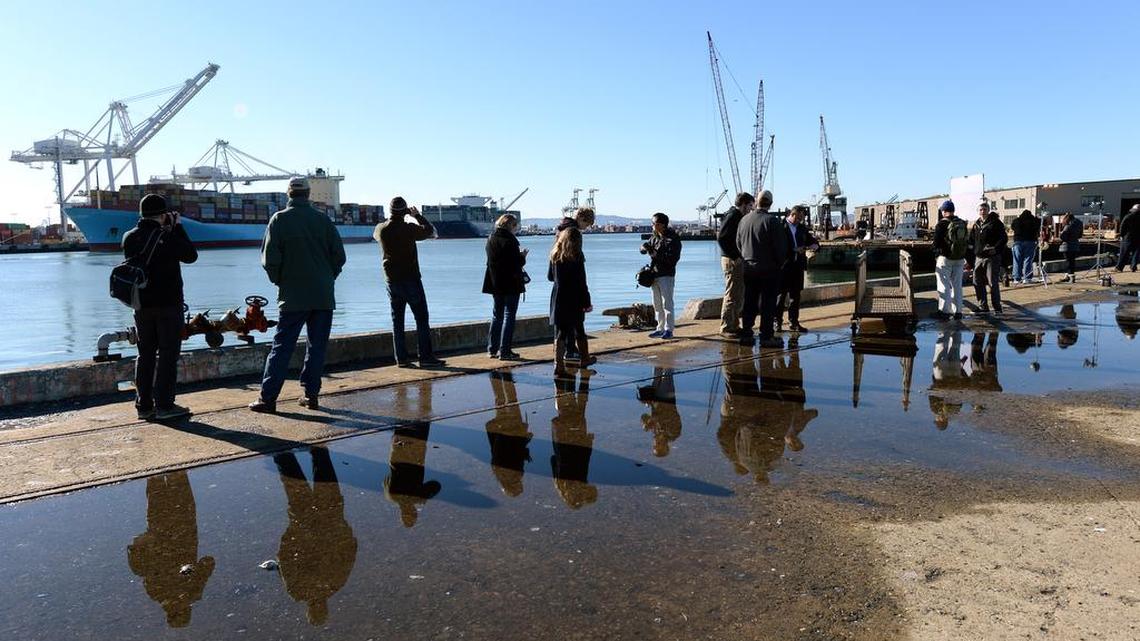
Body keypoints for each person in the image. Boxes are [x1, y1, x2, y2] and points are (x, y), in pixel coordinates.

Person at [249, 177, 347, 414]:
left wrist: (282, 281)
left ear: (288, 194)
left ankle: (268, 399)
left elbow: (270, 261)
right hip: (323, 296)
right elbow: (339, 257)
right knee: (317, 347)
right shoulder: (323, 220)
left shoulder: (279, 220)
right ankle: (311, 396)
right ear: (309, 193)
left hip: (293, 297)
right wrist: (326, 279)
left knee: (282, 347)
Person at [122, 193, 198, 420]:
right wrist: (177, 228)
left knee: (145, 354)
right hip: (168, 305)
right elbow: (191, 255)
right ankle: (165, 405)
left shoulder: (128, 237)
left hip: (141, 306)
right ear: (163, 214)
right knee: (167, 355)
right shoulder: (167, 237)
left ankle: (143, 406)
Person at [274, 447, 357, 626]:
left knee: (320, 478)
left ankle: (305, 450)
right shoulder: (302, 590)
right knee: (296, 481)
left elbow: (349, 551)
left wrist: (345, 530)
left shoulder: (332, 585)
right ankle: (281, 450)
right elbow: (284, 560)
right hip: (314, 525)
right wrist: (289, 536)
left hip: (325, 523)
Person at [127, 472, 214, 627]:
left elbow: (208, 562)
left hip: (182, 526)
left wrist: (194, 576)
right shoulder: (158, 593)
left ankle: (158, 453)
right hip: (162, 527)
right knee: (157, 480)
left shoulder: (191, 592)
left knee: (174, 475)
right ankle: (154, 454)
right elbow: (208, 561)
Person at [375, 197, 445, 368]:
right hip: (411, 278)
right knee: (421, 319)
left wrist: (398, 215)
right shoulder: (409, 229)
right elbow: (431, 231)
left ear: (390, 211)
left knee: (397, 320)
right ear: (405, 211)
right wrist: (417, 216)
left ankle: (402, 359)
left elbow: (379, 233)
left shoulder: (380, 229)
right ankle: (426, 358)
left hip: (391, 280)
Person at [736, 190, 791, 348]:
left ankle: (746, 333)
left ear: (756, 202)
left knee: (749, 302)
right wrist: (779, 264)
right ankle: (766, 336)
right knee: (768, 303)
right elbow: (781, 248)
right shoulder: (772, 221)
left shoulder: (744, 220)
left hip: (749, 268)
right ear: (770, 203)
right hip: (769, 269)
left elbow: (738, 244)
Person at [548, 224, 594, 371]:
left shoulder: (555, 254)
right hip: (574, 297)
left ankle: (558, 363)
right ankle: (585, 358)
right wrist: (587, 301)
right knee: (579, 329)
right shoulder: (577, 256)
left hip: (558, 297)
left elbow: (550, 277)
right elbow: (582, 282)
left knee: (561, 332)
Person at [482, 214, 528, 360]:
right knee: (509, 316)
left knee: (497, 315)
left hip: (495, 283)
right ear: (511, 226)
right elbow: (515, 263)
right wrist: (523, 256)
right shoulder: (510, 241)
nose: (516, 229)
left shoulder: (490, 239)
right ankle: (505, 351)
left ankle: (492, 349)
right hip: (511, 283)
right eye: (515, 226)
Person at [716, 192, 755, 337]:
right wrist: (734, 256)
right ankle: (726, 327)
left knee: (738, 292)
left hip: (736, 258)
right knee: (732, 293)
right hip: (731, 260)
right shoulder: (733, 215)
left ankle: (733, 324)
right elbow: (722, 238)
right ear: (744, 204)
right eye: (750, 205)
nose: (751, 209)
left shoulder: (737, 216)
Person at [777, 204, 820, 332]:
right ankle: (777, 322)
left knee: (795, 297)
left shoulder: (802, 228)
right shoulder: (780, 226)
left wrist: (815, 246)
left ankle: (793, 322)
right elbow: (776, 247)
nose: (800, 221)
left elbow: (811, 240)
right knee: (780, 296)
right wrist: (794, 250)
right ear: (793, 214)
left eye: (802, 219)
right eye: (799, 218)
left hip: (797, 266)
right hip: (784, 267)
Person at [640, 212, 682, 339]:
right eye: (652, 223)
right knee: (657, 304)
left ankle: (669, 329)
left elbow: (673, 259)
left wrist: (654, 253)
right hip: (655, 274)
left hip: (666, 275)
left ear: (663, 225)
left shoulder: (672, 239)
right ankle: (660, 327)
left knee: (667, 303)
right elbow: (645, 249)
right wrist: (644, 248)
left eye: (655, 224)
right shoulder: (654, 237)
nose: (653, 226)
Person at [931, 200, 968, 320]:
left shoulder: (941, 224)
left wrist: (936, 254)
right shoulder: (961, 223)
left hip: (945, 259)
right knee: (957, 286)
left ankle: (944, 311)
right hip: (959, 258)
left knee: (944, 285)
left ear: (943, 211)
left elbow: (936, 243)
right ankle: (958, 311)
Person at [970, 202, 1006, 315]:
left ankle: (997, 308)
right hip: (978, 257)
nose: (982, 211)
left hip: (992, 258)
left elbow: (1003, 238)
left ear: (988, 210)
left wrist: (995, 248)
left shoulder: (996, 223)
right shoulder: (976, 224)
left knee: (992, 283)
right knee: (977, 281)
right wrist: (971, 253)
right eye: (980, 209)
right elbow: (971, 240)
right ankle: (983, 306)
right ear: (978, 211)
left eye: (985, 209)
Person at [1010, 209, 1041, 284]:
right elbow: (1039, 226)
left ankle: (1016, 278)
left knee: (1017, 260)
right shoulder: (1034, 221)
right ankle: (1027, 278)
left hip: (1018, 242)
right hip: (1030, 241)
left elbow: (1012, 227)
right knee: (1028, 260)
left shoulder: (1017, 220)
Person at [1059, 213, 1084, 283]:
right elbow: (1080, 235)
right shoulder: (1079, 224)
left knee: (1068, 262)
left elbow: (1062, 236)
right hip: (1075, 245)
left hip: (1067, 246)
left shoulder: (1068, 226)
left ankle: (1071, 277)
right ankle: (1067, 276)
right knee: (1071, 261)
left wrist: (1061, 235)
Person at [1116, 203, 1140, 273]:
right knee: (1136, 253)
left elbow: (1122, 226)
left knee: (1124, 253)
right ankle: (1133, 267)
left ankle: (1119, 267)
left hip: (1128, 237)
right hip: (1138, 237)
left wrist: (1121, 235)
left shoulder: (1128, 216)